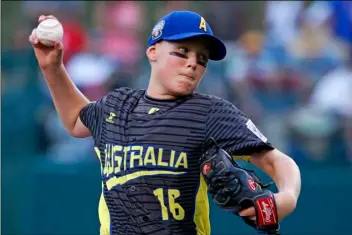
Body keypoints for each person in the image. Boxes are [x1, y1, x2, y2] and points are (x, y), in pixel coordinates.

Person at [29, 11, 301, 235]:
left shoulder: (209, 112)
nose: (192, 63)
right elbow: (77, 120)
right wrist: (52, 68)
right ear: (153, 51)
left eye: (202, 59)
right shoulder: (117, 105)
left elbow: (277, 160)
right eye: (182, 51)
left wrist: (286, 197)